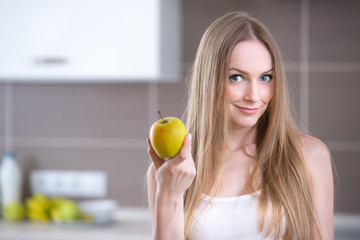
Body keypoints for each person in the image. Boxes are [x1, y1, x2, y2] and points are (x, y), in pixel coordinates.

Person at [147, 11, 334, 240]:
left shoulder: (309, 157)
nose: (254, 96)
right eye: (237, 77)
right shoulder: (173, 170)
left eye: (265, 78)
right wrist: (170, 194)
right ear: (209, 80)